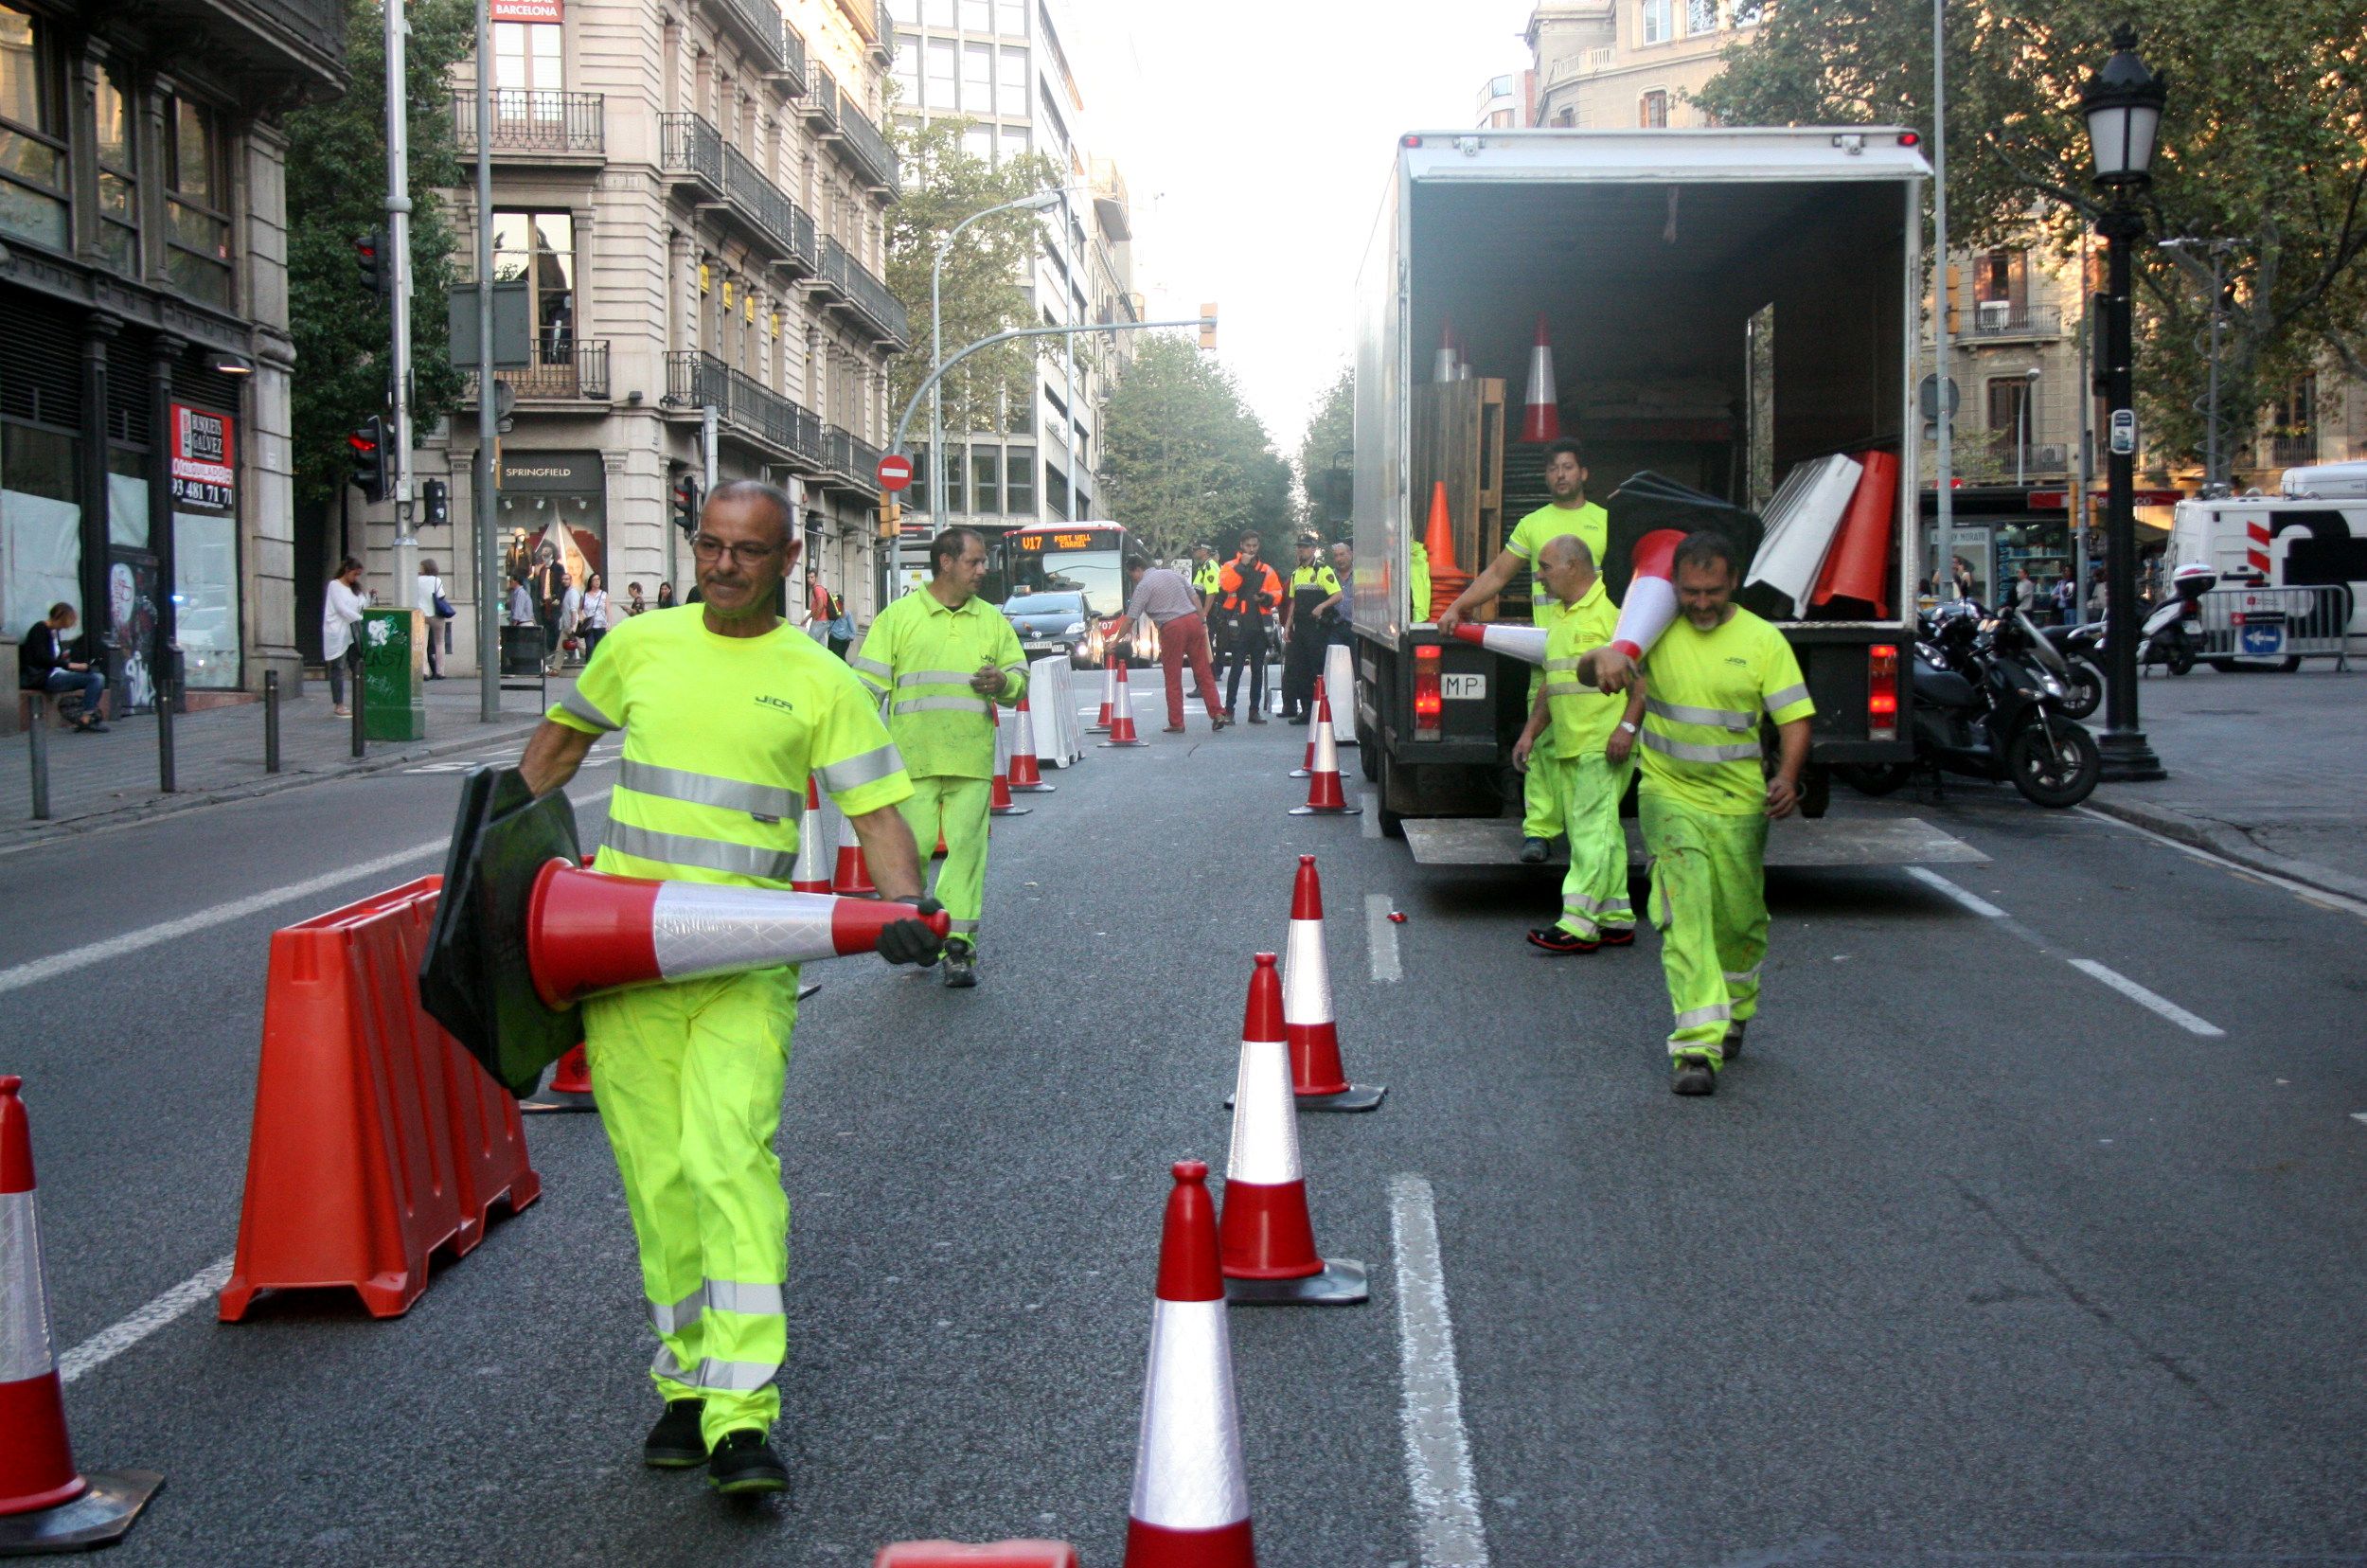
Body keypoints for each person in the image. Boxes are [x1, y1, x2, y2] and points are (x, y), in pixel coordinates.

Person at [516, 479, 940, 1496]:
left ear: (789, 561)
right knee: (659, 1185)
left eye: (747, 552)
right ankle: (689, 1385)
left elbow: (877, 811)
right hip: (622, 960)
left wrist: (910, 914)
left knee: (729, 1164)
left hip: (743, 963)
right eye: (708, 546)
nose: (722, 566)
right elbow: (556, 752)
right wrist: (493, 885)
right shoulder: (638, 647)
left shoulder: (817, 678)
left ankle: (744, 1414)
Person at [1580, 531, 1815, 1097]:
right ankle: (1696, 1047)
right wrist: (1605, 658)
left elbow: (1794, 719)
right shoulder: (1655, 627)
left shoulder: (1763, 641)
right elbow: (1593, 668)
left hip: (1739, 805)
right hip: (1668, 793)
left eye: (1712, 591)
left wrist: (1785, 776)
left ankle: (1735, 1009)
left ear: (1733, 581)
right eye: (1690, 592)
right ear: (1674, 587)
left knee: (1738, 919)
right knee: (1683, 911)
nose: (1701, 603)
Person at [849, 526, 1028, 989]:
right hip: (913, 764)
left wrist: (1003, 683)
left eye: (983, 561)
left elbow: (1018, 676)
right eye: (975, 561)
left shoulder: (991, 619)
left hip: (970, 760)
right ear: (946, 562)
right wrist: (848, 748)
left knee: (968, 856)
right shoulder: (899, 618)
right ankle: (918, 933)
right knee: (910, 854)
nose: (983, 570)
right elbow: (864, 690)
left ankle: (958, 949)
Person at [1437, 436, 1609, 864]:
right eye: (1553, 469)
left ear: (1583, 473)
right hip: (1548, 652)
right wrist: (1458, 606)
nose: (1560, 475)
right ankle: (1538, 832)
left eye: (1568, 467)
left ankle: (1585, 828)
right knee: (1542, 740)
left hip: (1596, 652)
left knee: (1593, 747)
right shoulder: (1533, 523)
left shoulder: (1608, 521)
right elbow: (1497, 573)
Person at [1514, 537, 1646, 954]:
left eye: (1546, 567)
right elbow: (1553, 685)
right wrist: (1531, 733)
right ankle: (1616, 916)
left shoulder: (1615, 617)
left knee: (1591, 832)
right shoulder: (1561, 618)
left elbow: (1644, 683)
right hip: (1572, 742)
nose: (1539, 575)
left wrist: (1625, 728)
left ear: (1574, 566)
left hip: (1603, 744)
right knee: (1602, 831)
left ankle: (1577, 923)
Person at [1112, 553, 1223, 733]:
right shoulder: (1173, 574)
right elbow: (1194, 597)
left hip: (1172, 627)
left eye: (1132, 575)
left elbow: (1130, 618)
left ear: (1137, 570)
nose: (1133, 580)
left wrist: (1116, 641)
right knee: (1203, 671)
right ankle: (1217, 712)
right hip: (1193, 621)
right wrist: (1202, 620)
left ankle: (1177, 722)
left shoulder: (1143, 586)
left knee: (1173, 676)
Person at [1215, 532, 1283, 723]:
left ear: (1258, 546)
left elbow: (1277, 592)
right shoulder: (1230, 566)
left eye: (1254, 546)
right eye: (1248, 546)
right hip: (1238, 625)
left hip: (1260, 626)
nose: (1251, 549)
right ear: (1241, 546)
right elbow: (1228, 586)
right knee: (1236, 669)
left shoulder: (1266, 570)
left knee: (1257, 670)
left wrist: (1267, 598)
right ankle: (1229, 711)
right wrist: (1242, 565)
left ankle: (1254, 711)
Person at [17, 602, 109, 732]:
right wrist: (70, 665)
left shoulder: (54, 633)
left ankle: (87, 715)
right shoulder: (40, 629)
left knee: (96, 677)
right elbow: (42, 658)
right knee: (95, 679)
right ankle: (87, 718)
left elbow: (54, 658)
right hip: (45, 676)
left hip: (55, 673)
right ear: (60, 617)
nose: (66, 627)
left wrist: (70, 665)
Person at [1280, 534, 1341, 724]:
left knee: (1317, 669)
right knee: (1300, 670)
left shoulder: (1323, 570)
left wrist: (1321, 606)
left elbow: (1338, 595)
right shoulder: (1296, 573)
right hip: (1300, 629)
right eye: (1299, 547)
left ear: (1314, 549)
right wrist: (1288, 627)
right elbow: (1293, 602)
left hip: (1317, 629)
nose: (1301, 550)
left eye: (1305, 547)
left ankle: (1321, 708)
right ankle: (1306, 710)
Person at [323, 557, 368, 717]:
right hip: (338, 632)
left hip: (352, 633)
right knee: (338, 667)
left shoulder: (355, 589)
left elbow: (363, 605)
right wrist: (360, 618)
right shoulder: (334, 585)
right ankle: (339, 704)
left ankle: (360, 701)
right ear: (347, 571)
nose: (356, 578)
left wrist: (369, 597)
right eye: (355, 574)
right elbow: (341, 609)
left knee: (357, 665)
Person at [417, 559, 451, 680]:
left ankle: (425, 672)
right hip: (436, 614)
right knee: (440, 643)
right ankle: (440, 671)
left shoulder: (416, 580)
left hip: (421, 615)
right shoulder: (437, 580)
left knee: (422, 644)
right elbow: (441, 595)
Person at [579, 574, 608, 661]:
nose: (597, 581)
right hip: (589, 625)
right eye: (594, 580)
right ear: (590, 582)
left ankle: (599, 666)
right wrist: (582, 617)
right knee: (590, 645)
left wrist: (609, 623)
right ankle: (589, 664)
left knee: (599, 647)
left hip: (601, 624)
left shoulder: (604, 594)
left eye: (598, 579)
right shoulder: (585, 595)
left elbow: (608, 610)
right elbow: (580, 609)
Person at [1189, 543, 1221, 615]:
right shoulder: (1204, 566)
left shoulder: (1209, 567)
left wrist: (1204, 613)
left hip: (1209, 612)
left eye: (1195, 549)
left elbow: (1211, 592)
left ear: (1204, 551)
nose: (1192, 551)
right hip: (1202, 608)